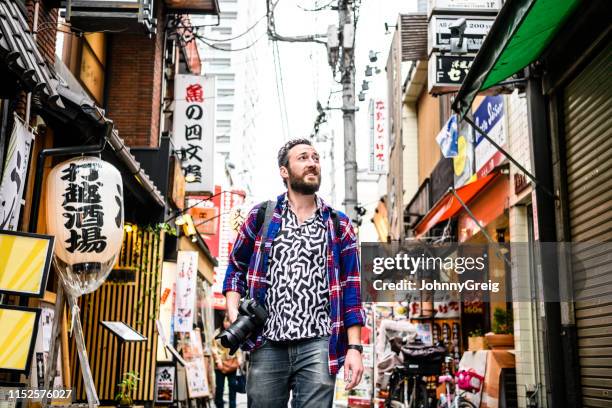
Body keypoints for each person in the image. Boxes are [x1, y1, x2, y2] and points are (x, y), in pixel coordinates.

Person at [223, 138, 366, 408]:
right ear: (284, 171)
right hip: (267, 342)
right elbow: (235, 268)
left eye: (315, 157)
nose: (312, 163)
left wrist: (355, 349)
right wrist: (234, 313)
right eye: (303, 158)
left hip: (319, 344)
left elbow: (352, 291)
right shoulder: (261, 216)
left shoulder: (339, 225)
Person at [212, 316, 241, 408]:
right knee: (220, 387)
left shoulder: (235, 332)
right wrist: (217, 360)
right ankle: (219, 404)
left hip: (232, 363)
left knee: (233, 386)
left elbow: (238, 347)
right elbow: (213, 348)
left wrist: (239, 358)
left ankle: (233, 406)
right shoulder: (217, 332)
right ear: (222, 322)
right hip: (220, 364)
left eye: (228, 320)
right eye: (225, 320)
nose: (227, 323)